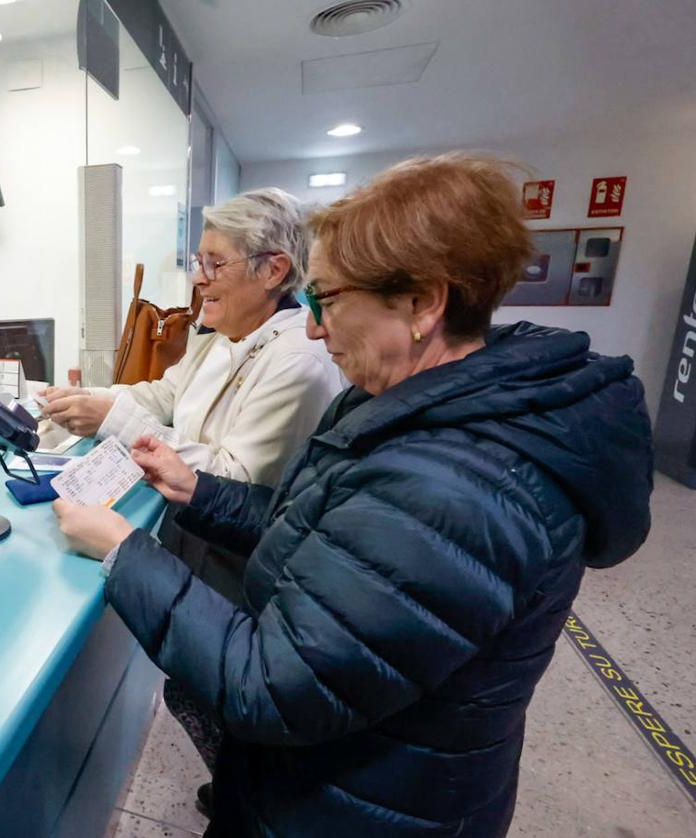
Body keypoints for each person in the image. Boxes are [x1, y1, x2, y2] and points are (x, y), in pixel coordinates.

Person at [53, 152, 654, 836]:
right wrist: (199, 491)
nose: (311, 327)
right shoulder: (404, 405)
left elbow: (274, 685)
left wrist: (126, 550)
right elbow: (320, 536)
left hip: (361, 806)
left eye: (326, 300)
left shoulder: (457, 485)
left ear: (423, 302)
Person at [41, 188, 341, 603]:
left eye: (215, 264)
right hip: (188, 532)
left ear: (274, 270)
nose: (199, 278)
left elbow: (232, 484)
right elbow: (166, 394)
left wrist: (110, 419)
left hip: (232, 564)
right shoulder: (225, 331)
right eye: (199, 262)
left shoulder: (297, 361)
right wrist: (84, 396)